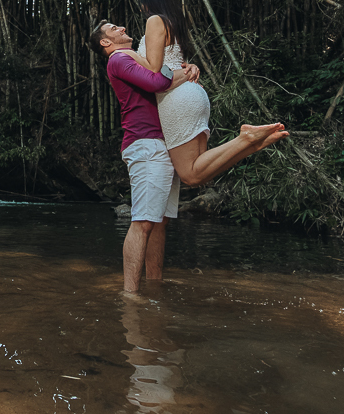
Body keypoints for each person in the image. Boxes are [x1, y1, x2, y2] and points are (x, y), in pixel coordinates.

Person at [89, 19, 286, 293]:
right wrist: (185, 73)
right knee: (143, 223)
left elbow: (162, 75)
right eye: (113, 29)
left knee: (159, 224)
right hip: (146, 145)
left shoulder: (135, 57)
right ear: (105, 43)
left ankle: (154, 286)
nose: (121, 28)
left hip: (164, 143)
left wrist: (189, 68)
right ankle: (130, 295)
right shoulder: (118, 60)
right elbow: (156, 82)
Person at [133, 0, 284, 186]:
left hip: (175, 100)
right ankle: (250, 145)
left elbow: (153, 69)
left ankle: (244, 139)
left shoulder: (155, 21)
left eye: (143, 2)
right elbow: (176, 63)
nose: (142, 8)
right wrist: (192, 66)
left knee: (190, 175)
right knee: (199, 171)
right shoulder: (174, 24)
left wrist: (125, 54)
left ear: (152, 0)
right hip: (193, 95)